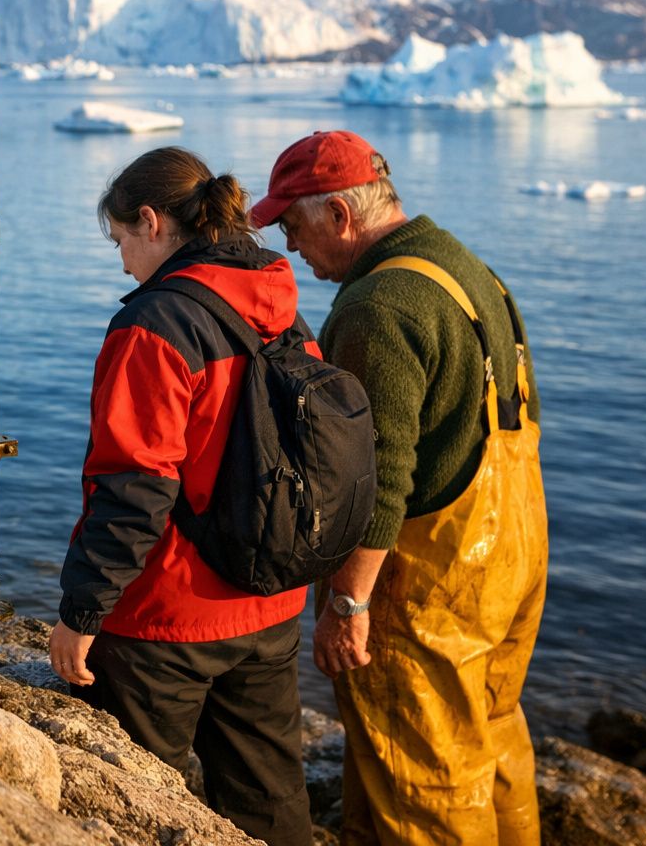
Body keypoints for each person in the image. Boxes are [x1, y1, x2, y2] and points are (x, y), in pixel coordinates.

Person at [250, 130, 547, 846]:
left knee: (424, 788)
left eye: (293, 225)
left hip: (427, 590)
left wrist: (349, 604)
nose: (292, 247)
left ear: (340, 218)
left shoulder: (377, 307)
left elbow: (379, 478)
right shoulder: (466, 269)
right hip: (510, 562)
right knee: (493, 744)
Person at [50, 146, 315, 846]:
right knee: (271, 800)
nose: (123, 261)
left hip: (165, 622)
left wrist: (82, 610)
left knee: (135, 805)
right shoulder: (283, 307)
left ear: (151, 221)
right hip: (270, 602)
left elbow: (134, 488)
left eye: (121, 241)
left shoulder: (155, 325)